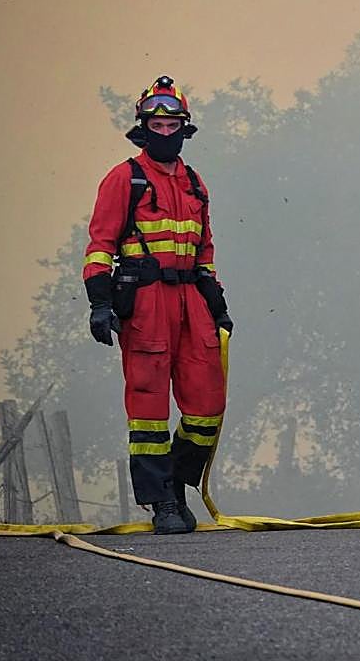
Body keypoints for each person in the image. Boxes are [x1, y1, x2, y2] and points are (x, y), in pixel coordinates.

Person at [83, 76, 233, 535]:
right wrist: (99, 303)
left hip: (192, 301)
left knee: (208, 404)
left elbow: (204, 250)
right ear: (143, 128)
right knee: (148, 408)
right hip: (146, 304)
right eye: (157, 124)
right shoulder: (123, 178)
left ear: (184, 130)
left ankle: (177, 480)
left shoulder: (194, 181)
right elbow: (98, 246)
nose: (165, 132)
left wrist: (218, 303)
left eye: (173, 125)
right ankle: (161, 501)